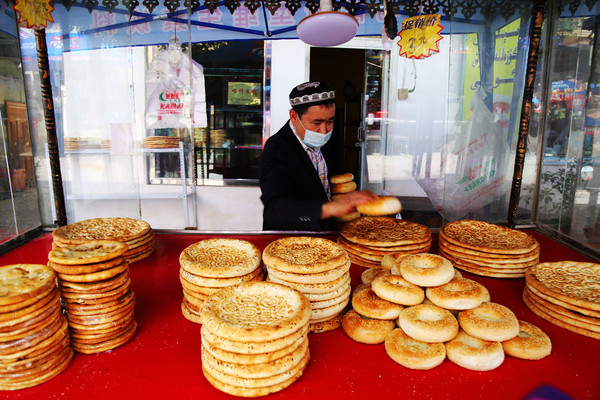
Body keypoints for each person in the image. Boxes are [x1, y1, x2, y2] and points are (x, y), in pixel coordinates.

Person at [259, 81, 376, 231]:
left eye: (330, 121)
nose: (324, 131)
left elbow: (329, 176)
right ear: (294, 117)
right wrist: (328, 208)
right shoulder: (277, 149)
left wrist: (352, 198)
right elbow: (276, 211)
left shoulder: (321, 141)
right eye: (316, 122)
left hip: (323, 233)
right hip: (290, 237)